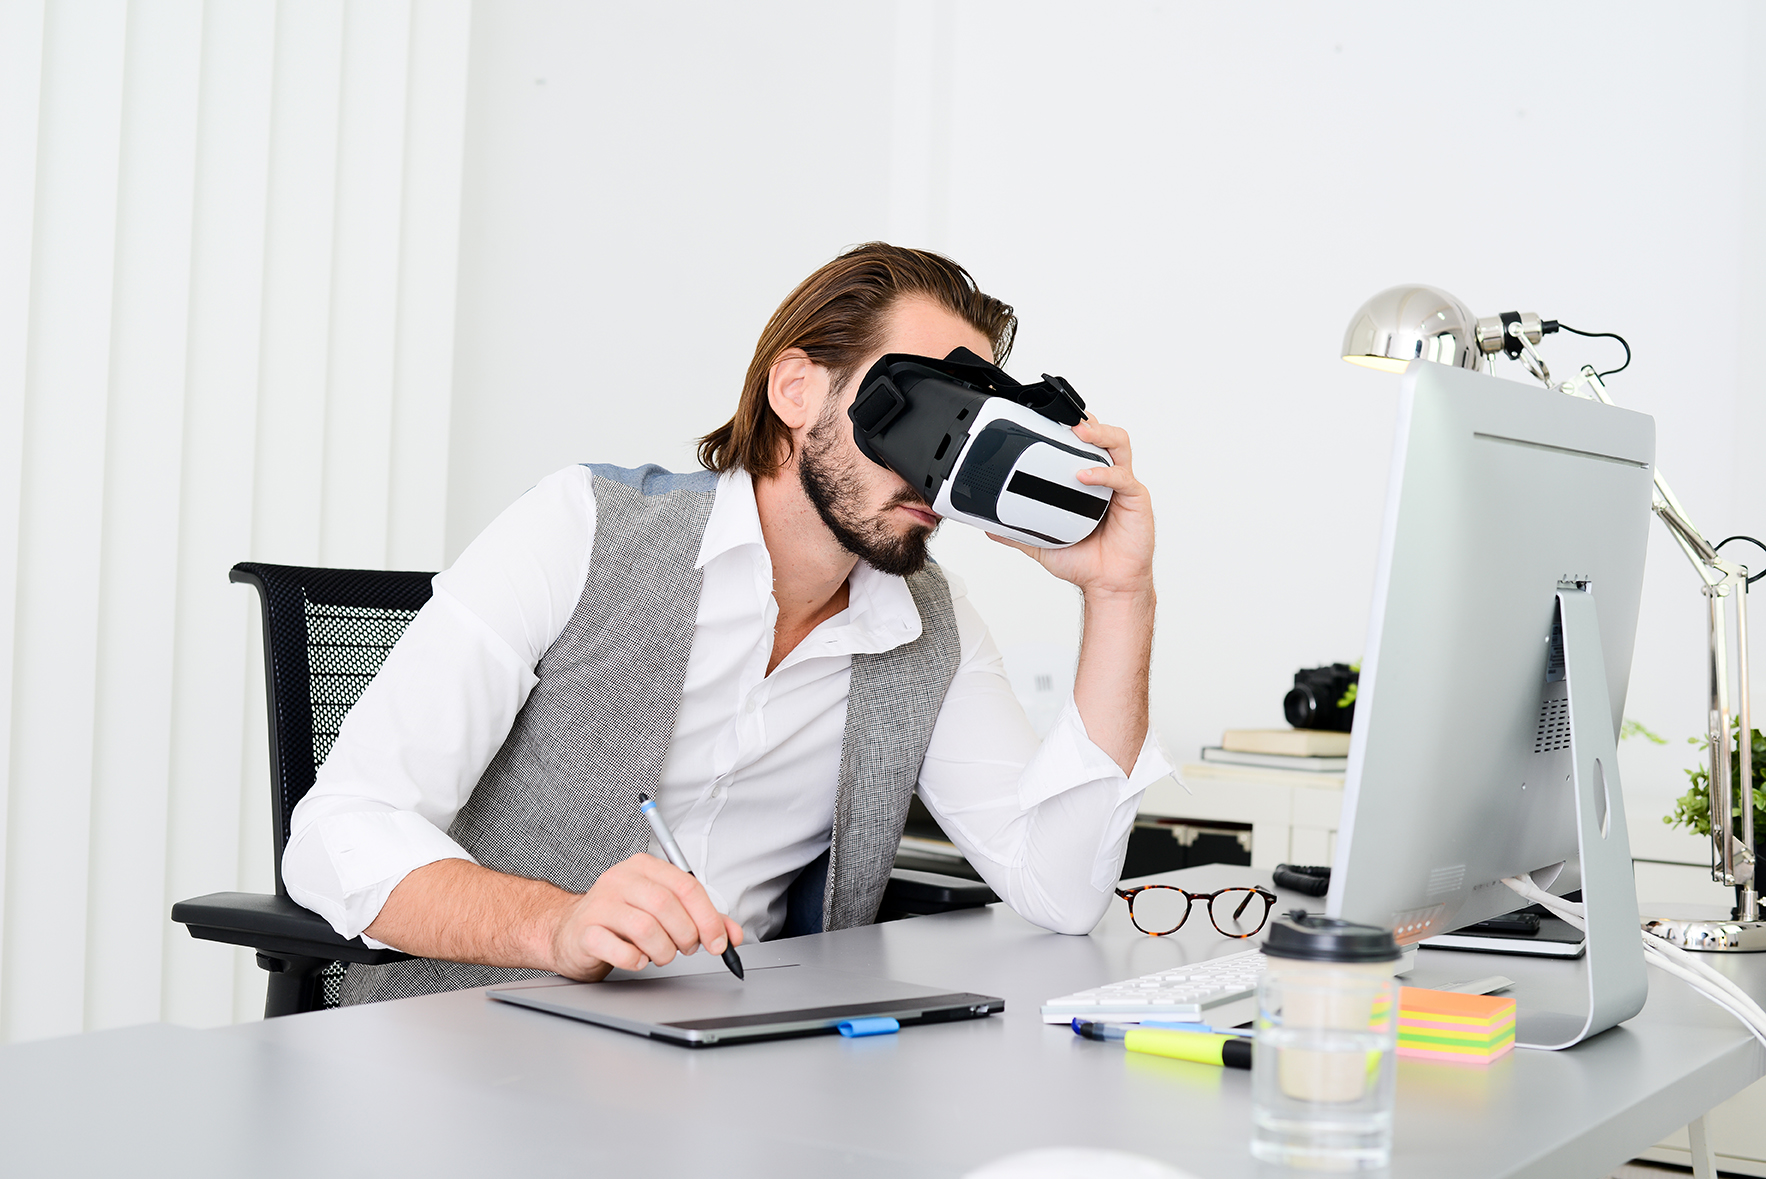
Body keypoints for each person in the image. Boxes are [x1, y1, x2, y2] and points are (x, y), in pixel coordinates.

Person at [283, 243, 1170, 1003]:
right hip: (478, 1040)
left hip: (744, 1063)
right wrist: (559, 927)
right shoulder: (581, 528)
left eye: (972, 423)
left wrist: (1119, 596)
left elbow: (1058, 888)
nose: (940, 461)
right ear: (796, 388)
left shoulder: (927, 625)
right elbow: (336, 833)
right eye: (925, 406)